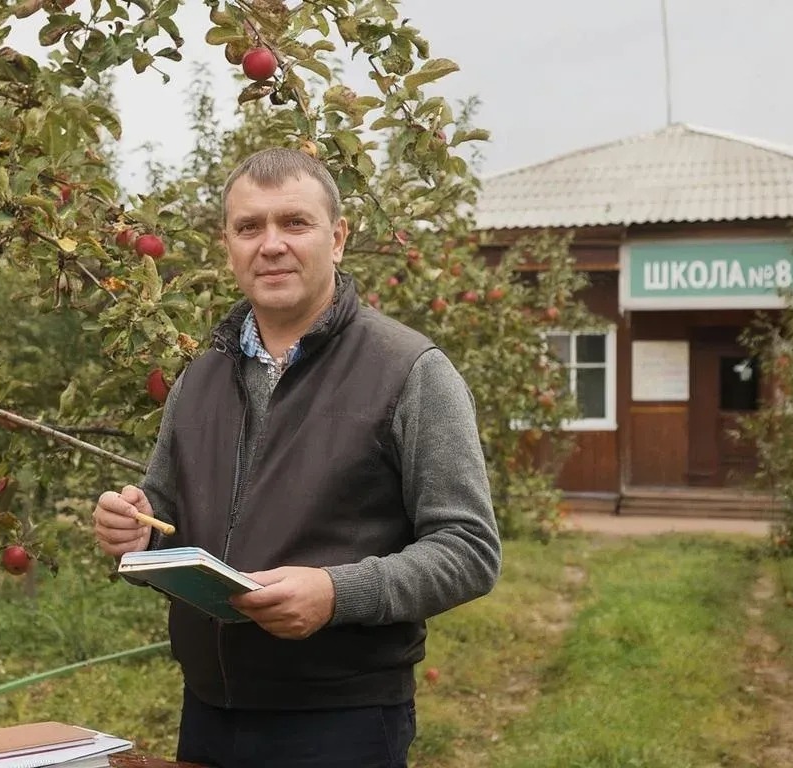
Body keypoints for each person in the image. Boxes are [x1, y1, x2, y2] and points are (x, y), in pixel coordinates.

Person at [92, 147, 501, 768]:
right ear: (227, 246)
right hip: (208, 710)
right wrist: (134, 532)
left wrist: (338, 593)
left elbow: (469, 550)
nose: (271, 244)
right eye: (248, 227)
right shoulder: (199, 380)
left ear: (337, 238)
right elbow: (164, 514)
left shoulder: (410, 371)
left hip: (342, 721)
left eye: (294, 222)